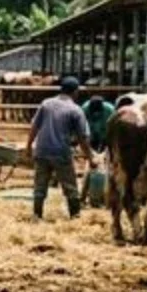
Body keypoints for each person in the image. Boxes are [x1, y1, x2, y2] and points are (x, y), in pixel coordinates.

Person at [26, 76, 93, 220]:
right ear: (75, 92)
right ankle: (75, 216)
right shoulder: (75, 110)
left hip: (42, 150)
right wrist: (90, 156)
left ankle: (37, 215)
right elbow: (82, 137)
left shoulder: (46, 104)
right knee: (70, 186)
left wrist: (28, 146)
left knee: (40, 185)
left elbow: (34, 127)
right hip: (61, 152)